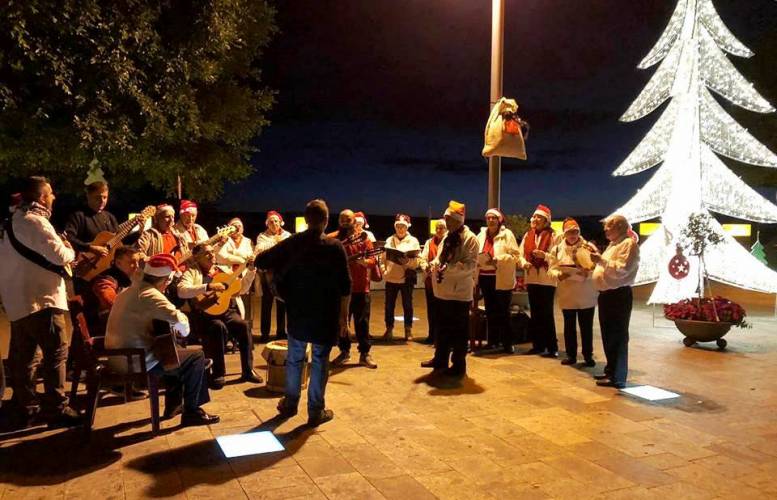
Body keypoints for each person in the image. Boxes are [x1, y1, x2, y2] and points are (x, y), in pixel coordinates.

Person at [254, 199, 351, 426]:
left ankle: (290, 404)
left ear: (306, 220)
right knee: (319, 361)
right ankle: (315, 411)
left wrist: (276, 285)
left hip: (298, 312)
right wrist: (343, 319)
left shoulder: (293, 242)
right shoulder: (335, 247)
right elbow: (345, 287)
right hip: (325, 315)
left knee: (295, 359)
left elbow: (261, 260)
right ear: (326, 220)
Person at [0, 176, 80, 427]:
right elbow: (60, 256)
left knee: (25, 358)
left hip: (17, 302)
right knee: (56, 354)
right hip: (42, 299)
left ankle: (26, 407)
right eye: (51, 193)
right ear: (42, 197)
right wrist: (70, 250)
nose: (54, 197)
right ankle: (57, 408)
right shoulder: (36, 222)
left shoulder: (9, 223)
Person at [105, 253, 219, 426]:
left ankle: (174, 405)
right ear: (164, 280)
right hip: (133, 361)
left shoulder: (129, 290)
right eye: (168, 282)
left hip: (118, 356)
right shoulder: (150, 295)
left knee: (173, 352)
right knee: (195, 357)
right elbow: (183, 326)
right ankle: (192, 411)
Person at [177, 243, 262, 388]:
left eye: (212, 251)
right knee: (217, 327)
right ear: (197, 257)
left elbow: (241, 289)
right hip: (205, 315)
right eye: (207, 253)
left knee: (243, 325)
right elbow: (181, 291)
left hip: (227, 311)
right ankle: (218, 373)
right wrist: (208, 286)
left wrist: (250, 270)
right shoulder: (191, 272)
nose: (212, 255)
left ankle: (248, 370)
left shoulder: (222, 270)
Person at [427, 201, 478, 377]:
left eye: (448, 219)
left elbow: (470, 266)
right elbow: (440, 257)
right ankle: (440, 359)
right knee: (442, 328)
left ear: (458, 220)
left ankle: (458, 365)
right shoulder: (448, 237)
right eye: (446, 218)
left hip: (459, 293)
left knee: (459, 332)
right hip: (443, 291)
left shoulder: (470, 238)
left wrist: (448, 268)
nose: (446, 222)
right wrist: (434, 264)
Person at [590, 215, 640, 389]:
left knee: (617, 336)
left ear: (619, 227)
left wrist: (600, 260)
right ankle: (611, 370)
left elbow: (622, 270)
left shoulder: (629, 244)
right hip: (607, 295)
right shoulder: (614, 244)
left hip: (618, 295)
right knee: (608, 335)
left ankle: (617, 377)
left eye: (609, 226)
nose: (605, 229)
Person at [330, 209, 378, 369]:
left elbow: (373, 260)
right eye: (342, 219)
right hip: (340, 288)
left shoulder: (363, 238)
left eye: (348, 219)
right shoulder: (333, 239)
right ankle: (344, 351)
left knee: (362, 322)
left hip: (360, 287)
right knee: (342, 322)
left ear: (354, 221)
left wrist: (365, 262)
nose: (345, 222)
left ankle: (365, 353)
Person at [548, 218, 598, 367]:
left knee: (586, 327)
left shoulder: (589, 247)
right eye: (569, 232)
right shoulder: (557, 249)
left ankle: (588, 355)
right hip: (567, 294)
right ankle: (571, 355)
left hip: (586, 294)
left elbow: (597, 267)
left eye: (575, 231)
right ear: (564, 233)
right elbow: (551, 269)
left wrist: (587, 273)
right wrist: (558, 275)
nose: (572, 235)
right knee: (569, 327)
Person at [476, 208, 520, 353]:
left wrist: (498, 259)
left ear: (499, 220)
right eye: (488, 218)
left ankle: (507, 343)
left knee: (503, 311)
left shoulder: (507, 234)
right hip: (485, 277)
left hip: (501, 277)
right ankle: (492, 341)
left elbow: (515, 255)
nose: (490, 220)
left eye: (493, 218)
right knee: (490, 311)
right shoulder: (481, 235)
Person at [518, 204, 559, 357]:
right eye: (534, 216)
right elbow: (520, 254)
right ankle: (538, 345)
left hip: (547, 279)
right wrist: (524, 263)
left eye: (539, 217)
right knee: (535, 313)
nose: (535, 219)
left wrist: (545, 256)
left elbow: (558, 257)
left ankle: (552, 347)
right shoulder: (528, 235)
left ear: (546, 221)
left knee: (547, 313)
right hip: (532, 278)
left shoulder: (554, 236)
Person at [87, 246, 142, 337]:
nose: (137, 266)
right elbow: (109, 300)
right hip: (103, 333)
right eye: (132, 262)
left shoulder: (128, 279)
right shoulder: (106, 279)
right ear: (118, 263)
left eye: (138, 262)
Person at [382, 214, 420, 341]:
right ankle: (389, 329)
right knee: (389, 305)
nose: (400, 229)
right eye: (398, 226)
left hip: (406, 279)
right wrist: (384, 271)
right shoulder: (389, 240)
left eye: (403, 226)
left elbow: (417, 262)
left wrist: (407, 262)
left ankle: (408, 330)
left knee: (407, 305)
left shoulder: (413, 241)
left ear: (407, 227)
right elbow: (382, 258)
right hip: (390, 278)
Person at [63, 180, 119, 264]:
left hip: (107, 265)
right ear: (88, 196)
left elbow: (119, 241)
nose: (102, 201)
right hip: (84, 265)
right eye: (98, 197)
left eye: (105, 197)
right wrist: (90, 248)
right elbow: (69, 237)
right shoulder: (78, 216)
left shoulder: (110, 217)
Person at [255, 210, 290, 342]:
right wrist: (277, 243)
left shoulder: (287, 235)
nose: (274, 223)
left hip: (282, 274)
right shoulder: (262, 236)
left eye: (276, 221)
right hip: (267, 274)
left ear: (280, 222)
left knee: (282, 303)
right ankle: (265, 333)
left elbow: (289, 249)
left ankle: (281, 332)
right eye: (271, 222)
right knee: (267, 303)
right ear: (267, 224)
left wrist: (273, 246)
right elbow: (259, 249)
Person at [216, 217, 255, 320]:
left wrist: (233, 255)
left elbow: (250, 257)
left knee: (243, 311)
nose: (237, 228)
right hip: (227, 277)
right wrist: (242, 259)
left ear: (243, 229)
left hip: (244, 277)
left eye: (239, 226)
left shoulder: (247, 241)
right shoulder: (224, 239)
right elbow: (221, 257)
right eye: (234, 226)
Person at [419, 219, 447, 345]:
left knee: (442, 310)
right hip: (430, 280)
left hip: (443, 281)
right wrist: (425, 267)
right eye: (437, 228)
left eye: (442, 228)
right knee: (431, 309)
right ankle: (431, 335)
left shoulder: (448, 242)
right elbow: (423, 258)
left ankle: (440, 336)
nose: (439, 230)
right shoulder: (429, 242)